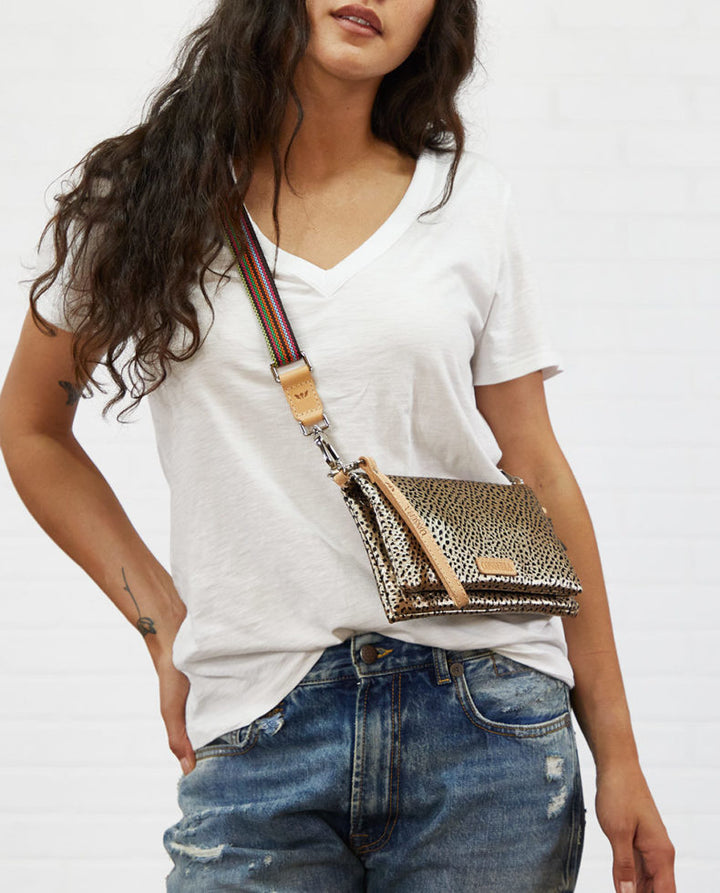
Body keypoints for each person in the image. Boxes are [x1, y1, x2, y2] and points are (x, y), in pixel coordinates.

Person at [0, 1, 676, 890]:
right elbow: (31, 428)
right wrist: (161, 620)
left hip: (486, 714)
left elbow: (538, 468)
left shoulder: (465, 199)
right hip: (257, 725)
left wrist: (620, 755)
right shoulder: (140, 200)